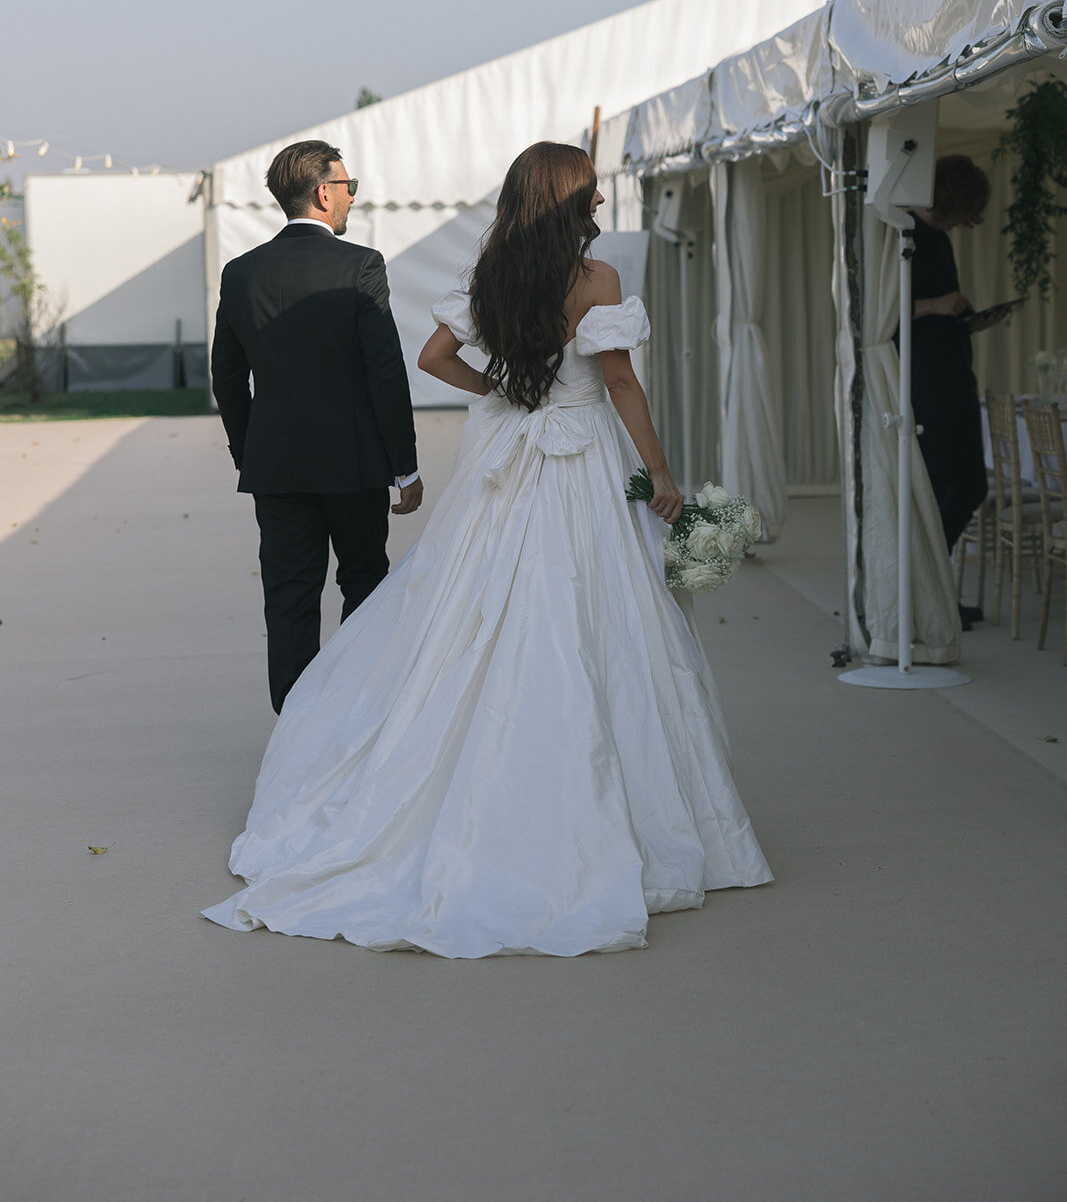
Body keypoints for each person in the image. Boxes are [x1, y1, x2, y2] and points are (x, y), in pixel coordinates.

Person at [203, 142, 771, 957]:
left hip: (504, 452)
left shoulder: (491, 276)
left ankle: (343, 751)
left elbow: (434, 358)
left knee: (464, 603)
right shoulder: (596, 279)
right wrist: (661, 471)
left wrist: (500, 387)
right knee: (594, 612)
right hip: (580, 454)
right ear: (568, 201)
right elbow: (617, 381)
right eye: (591, 192)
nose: (599, 203)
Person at [210, 139, 422, 713]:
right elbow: (385, 373)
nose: (353, 197)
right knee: (365, 585)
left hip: (276, 468)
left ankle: (295, 731)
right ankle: (352, 716)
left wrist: (251, 452)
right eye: (349, 186)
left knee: (288, 599)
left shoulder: (240, 272)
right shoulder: (360, 266)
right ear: (325, 193)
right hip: (354, 465)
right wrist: (405, 466)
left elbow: (227, 378)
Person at [906, 154, 1009, 624]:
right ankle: (924, 593)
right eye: (967, 209)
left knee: (969, 486)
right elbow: (882, 313)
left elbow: (940, 318)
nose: (968, 221)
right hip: (927, 384)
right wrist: (936, 304)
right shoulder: (905, 235)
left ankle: (933, 587)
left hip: (955, 377)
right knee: (939, 489)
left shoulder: (940, 239)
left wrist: (970, 323)